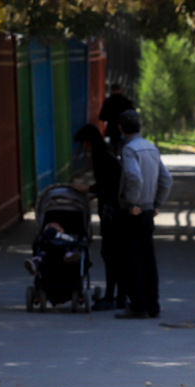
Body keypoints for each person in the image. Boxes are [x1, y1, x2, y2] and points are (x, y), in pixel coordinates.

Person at [114, 109, 172, 320]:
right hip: (148, 211)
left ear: (121, 129)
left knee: (133, 260)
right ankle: (152, 305)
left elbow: (134, 177)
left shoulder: (129, 150)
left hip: (134, 211)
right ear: (140, 126)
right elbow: (166, 180)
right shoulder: (151, 148)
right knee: (149, 259)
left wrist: (131, 203)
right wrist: (156, 204)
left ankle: (138, 305)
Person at [74, 124, 127, 310]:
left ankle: (112, 296)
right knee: (115, 254)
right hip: (115, 209)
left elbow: (105, 185)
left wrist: (86, 189)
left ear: (88, 142)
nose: (83, 148)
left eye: (83, 144)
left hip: (111, 213)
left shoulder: (100, 157)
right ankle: (119, 295)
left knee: (110, 253)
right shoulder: (108, 154)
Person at [98, 82, 135, 150]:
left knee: (113, 151)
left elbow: (102, 117)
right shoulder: (127, 102)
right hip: (125, 131)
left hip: (112, 131)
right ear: (120, 90)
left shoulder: (108, 102)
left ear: (111, 90)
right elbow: (133, 115)